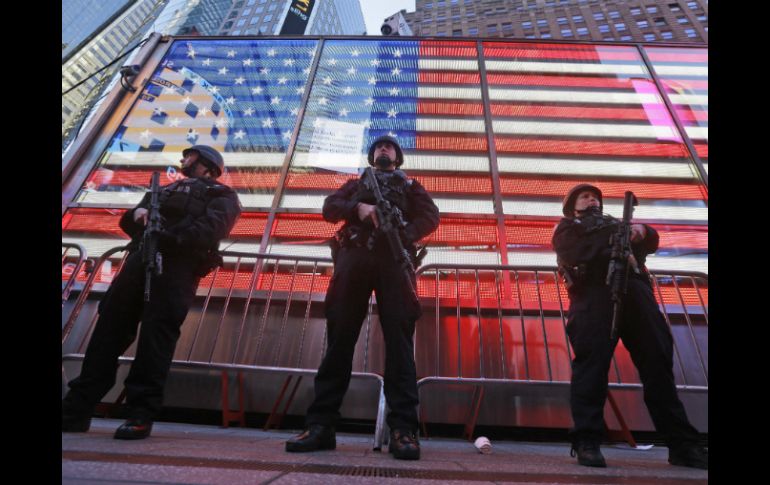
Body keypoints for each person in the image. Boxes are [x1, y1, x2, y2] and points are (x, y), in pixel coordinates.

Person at [62, 145, 241, 439]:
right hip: (138, 263)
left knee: (155, 341)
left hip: (176, 270)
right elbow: (128, 222)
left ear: (207, 164)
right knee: (107, 335)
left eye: (190, 156)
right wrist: (139, 214)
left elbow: (211, 229)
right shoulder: (163, 191)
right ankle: (77, 408)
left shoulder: (221, 195)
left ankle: (140, 413)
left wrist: (167, 238)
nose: (183, 160)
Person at [285, 135, 439, 460]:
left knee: (400, 345)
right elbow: (330, 208)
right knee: (339, 340)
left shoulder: (411, 186)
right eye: (379, 147)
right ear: (372, 156)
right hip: (354, 258)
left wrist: (401, 232)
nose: (384, 149)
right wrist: (359, 208)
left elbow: (430, 217)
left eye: (390, 147)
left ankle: (403, 430)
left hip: (395, 261)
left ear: (398, 156)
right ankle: (321, 426)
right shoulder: (356, 184)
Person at [552, 184, 707, 469]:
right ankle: (587, 441)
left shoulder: (620, 224)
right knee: (591, 369)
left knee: (658, 367)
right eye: (585, 197)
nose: (592, 200)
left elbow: (651, 241)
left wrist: (642, 231)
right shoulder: (567, 227)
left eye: (595, 197)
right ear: (572, 206)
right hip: (594, 295)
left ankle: (682, 445)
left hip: (635, 292)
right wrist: (614, 238)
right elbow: (574, 252)